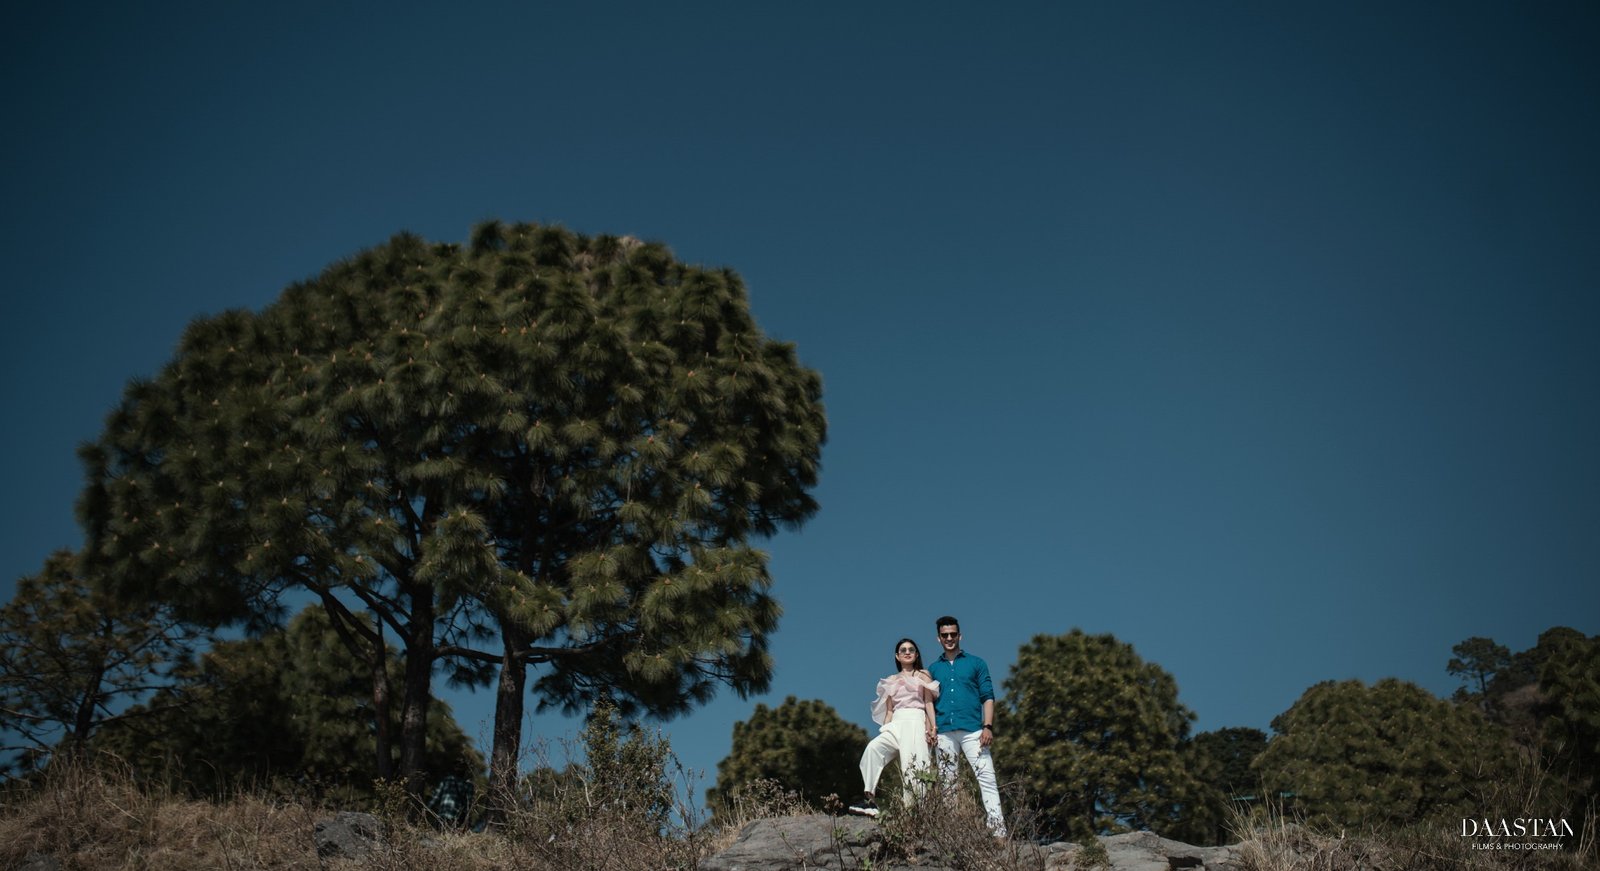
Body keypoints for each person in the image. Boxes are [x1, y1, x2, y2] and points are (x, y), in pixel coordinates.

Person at [927, 615, 1006, 837]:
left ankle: (999, 833)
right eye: (945, 635)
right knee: (948, 783)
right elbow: (928, 703)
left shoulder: (977, 663)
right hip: (944, 732)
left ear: (960, 635)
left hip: (973, 730)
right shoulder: (932, 669)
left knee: (987, 778)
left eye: (953, 634)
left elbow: (988, 696)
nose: (949, 638)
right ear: (938, 638)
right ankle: (953, 833)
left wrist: (988, 726)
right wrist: (931, 729)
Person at [847, 638, 940, 818]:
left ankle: (915, 813)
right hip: (896, 722)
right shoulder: (891, 680)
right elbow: (889, 710)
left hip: (916, 719)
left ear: (916, 654)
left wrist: (932, 727)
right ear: (897, 656)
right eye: (903, 650)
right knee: (873, 749)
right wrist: (885, 730)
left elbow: (928, 703)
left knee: (913, 767)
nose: (907, 652)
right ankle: (869, 799)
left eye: (911, 649)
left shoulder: (923, 675)